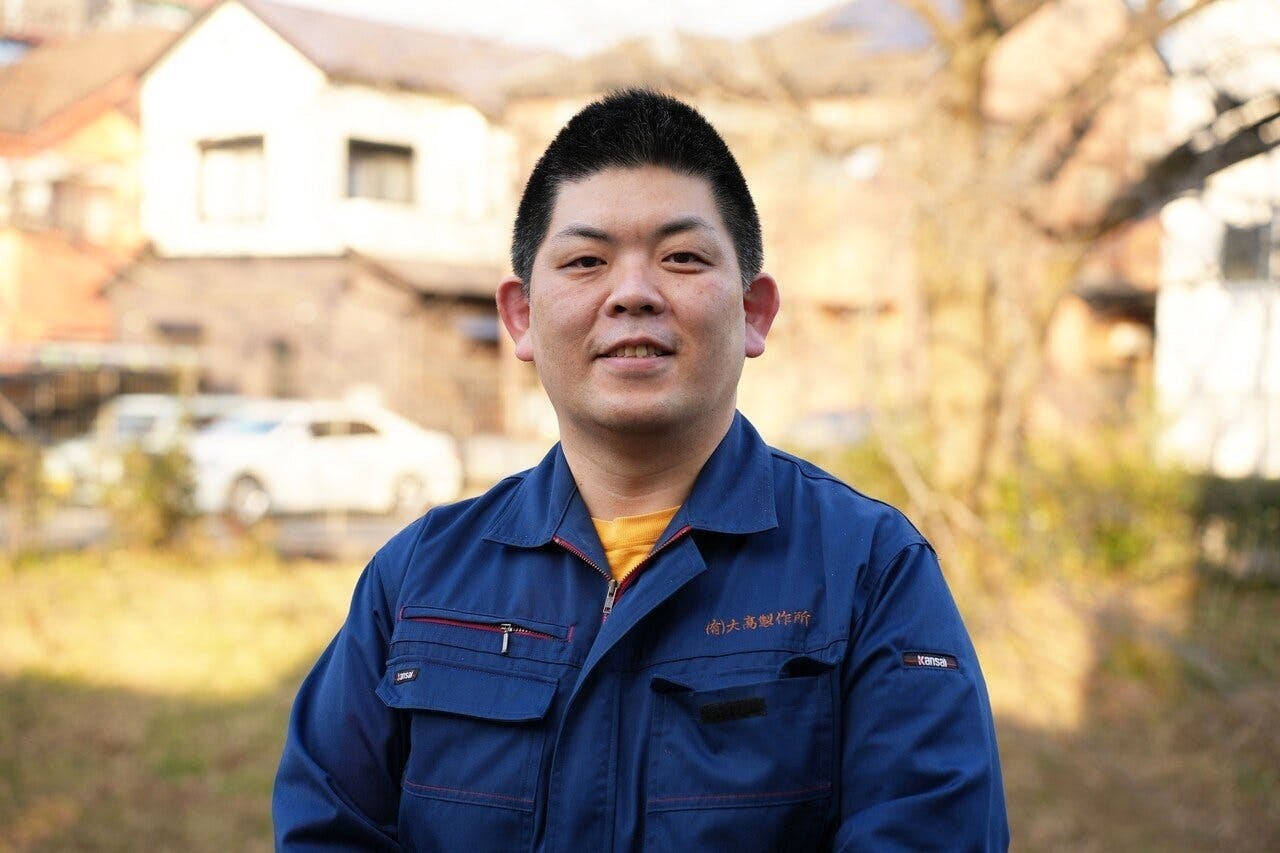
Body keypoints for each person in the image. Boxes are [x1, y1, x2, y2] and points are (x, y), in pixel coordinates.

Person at [273, 89, 1009, 852]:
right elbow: (329, 831)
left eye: (682, 257)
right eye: (586, 261)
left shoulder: (868, 569)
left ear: (754, 311)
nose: (632, 293)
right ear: (521, 317)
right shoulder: (417, 579)